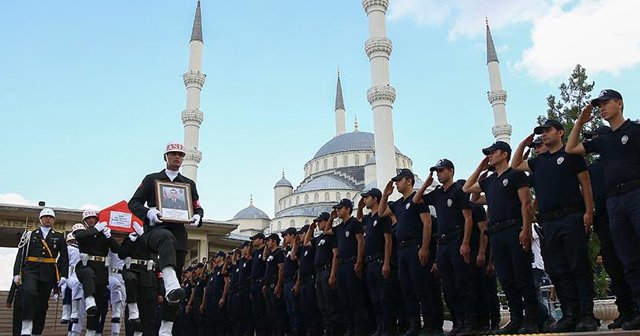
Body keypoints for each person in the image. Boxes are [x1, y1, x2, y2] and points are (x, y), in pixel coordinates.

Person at [512, 119, 597, 332]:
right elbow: (515, 165)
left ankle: (587, 314)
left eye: (547, 130)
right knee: (559, 270)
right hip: (548, 222)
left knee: (578, 266)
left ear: (560, 132)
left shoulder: (571, 155)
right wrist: (524, 143)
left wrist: (588, 211)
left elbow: (585, 184)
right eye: (541, 132)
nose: (544, 135)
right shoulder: (538, 162)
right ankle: (570, 313)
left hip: (571, 216)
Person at [567, 89, 640, 330]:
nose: (601, 108)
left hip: (635, 193)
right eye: (599, 104)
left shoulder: (635, 130)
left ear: (619, 103)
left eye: (605, 103)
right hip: (613, 201)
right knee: (629, 260)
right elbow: (571, 148)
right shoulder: (603, 141)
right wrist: (580, 121)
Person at [462, 141, 539, 334]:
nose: (489, 155)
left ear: (504, 154)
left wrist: (526, 228)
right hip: (496, 233)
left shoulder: (515, 174)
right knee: (506, 278)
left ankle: (532, 318)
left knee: (522, 275)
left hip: (514, 229)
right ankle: (515, 318)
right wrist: (481, 168)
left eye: (492, 152)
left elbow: (526, 203)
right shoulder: (489, 181)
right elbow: (468, 190)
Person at [128, 141, 204, 335]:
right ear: (166, 157)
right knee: (165, 239)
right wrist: (149, 213)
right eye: (173, 155)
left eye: (180, 155)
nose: (177, 158)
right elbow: (133, 203)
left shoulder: (188, 184)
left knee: (175, 290)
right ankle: (169, 280)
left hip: (179, 236)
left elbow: (197, 206)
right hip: (156, 230)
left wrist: (197, 216)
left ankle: (166, 329)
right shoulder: (152, 179)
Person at [414, 159, 476, 335]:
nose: (439, 174)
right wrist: (426, 183)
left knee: (462, 283)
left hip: (456, 240)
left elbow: (468, 218)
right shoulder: (438, 193)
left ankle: (468, 322)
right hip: (442, 244)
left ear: (451, 171)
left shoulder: (459, 191)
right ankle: (458, 322)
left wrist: (465, 242)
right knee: (448, 286)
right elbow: (417, 199)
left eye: (441, 170)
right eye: (437, 171)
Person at [584, 124, 636, 329]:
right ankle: (626, 311)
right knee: (614, 268)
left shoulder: (619, 160)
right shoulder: (593, 168)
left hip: (626, 212)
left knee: (631, 262)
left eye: (596, 138)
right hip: (605, 219)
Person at [378, 169, 433, 336]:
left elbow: (427, 223)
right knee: (407, 289)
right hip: (402, 250)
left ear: (409, 181)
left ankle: (430, 325)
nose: (396, 183)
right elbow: (381, 213)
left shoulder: (417, 199)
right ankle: (414, 325)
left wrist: (424, 247)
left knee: (421, 287)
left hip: (415, 247)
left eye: (399, 180)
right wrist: (386, 195)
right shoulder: (397, 204)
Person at [13, 208, 69, 336]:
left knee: (42, 303)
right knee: (30, 292)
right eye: (45, 217)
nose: (48, 219)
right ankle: (26, 325)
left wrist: (64, 275)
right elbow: (21, 255)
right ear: (40, 219)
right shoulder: (30, 234)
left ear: (54, 220)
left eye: (50, 217)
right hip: (30, 270)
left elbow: (64, 258)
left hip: (48, 272)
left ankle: (37, 331)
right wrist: (16, 273)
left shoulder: (59, 236)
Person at [74, 209, 121, 336]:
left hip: (101, 269)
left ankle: (92, 331)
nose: (91, 220)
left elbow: (117, 250)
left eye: (93, 218)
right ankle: (89, 301)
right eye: (88, 219)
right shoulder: (82, 232)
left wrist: (109, 236)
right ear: (85, 221)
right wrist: (96, 229)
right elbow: (79, 236)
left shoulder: (103, 233)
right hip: (86, 265)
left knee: (99, 304)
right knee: (90, 287)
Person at [357, 188, 394, 336]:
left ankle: (388, 329)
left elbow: (388, 240)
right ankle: (380, 327)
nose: (365, 200)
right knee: (375, 298)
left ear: (375, 199)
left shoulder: (382, 216)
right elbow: (359, 220)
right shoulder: (369, 218)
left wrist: (386, 262)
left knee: (384, 297)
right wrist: (359, 208)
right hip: (370, 262)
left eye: (367, 198)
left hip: (379, 260)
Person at [331, 198, 368, 336]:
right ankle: (350, 328)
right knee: (344, 299)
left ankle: (361, 329)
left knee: (355, 298)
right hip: (341, 266)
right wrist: (331, 217)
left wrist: (359, 262)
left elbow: (360, 242)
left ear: (347, 209)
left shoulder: (354, 224)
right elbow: (328, 230)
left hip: (351, 264)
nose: (337, 210)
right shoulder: (339, 227)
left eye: (340, 208)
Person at [118, 222, 159, 336]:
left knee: (148, 315)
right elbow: (121, 254)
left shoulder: (152, 236)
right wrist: (131, 239)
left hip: (148, 276)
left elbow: (155, 251)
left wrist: (143, 235)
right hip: (133, 272)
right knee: (133, 316)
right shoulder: (130, 237)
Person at [305, 212, 342, 335]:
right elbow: (306, 243)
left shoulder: (331, 237)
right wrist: (310, 230)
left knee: (330, 302)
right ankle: (328, 327)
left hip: (327, 270)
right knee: (322, 304)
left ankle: (335, 329)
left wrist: (332, 274)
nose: (318, 223)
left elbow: (335, 255)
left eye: (320, 221)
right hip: (319, 273)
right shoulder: (319, 238)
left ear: (326, 222)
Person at [296, 224, 323, 336]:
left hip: (311, 279)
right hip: (303, 280)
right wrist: (296, 243)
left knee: (313, 306)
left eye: (302, 233)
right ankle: (310, 329)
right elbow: (294, 256)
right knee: (305, 307)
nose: (300, 236)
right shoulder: (303, 249)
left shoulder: (314, 243)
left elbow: (308, 241)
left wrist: (310, 229)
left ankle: (317, 330)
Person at [282, 227, 302, 335]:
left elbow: (299, 265)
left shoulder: (297, 248)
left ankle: (298, 331)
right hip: (286, 282)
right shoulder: (288, 250)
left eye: (286, 235)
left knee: (295, 309)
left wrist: (297, 283)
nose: (284, 238)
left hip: (292, 281)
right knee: (289, 310)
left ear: (293, 236)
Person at [249, 233, 269, 336]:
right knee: (256, 311)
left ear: (261, 240)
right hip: (253, 283)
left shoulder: (264, 251)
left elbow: (265, 259)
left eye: (255, 239)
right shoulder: (255, 253)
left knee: (262, 310)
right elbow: (248, 256)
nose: (253, 241)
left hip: (260, 283)